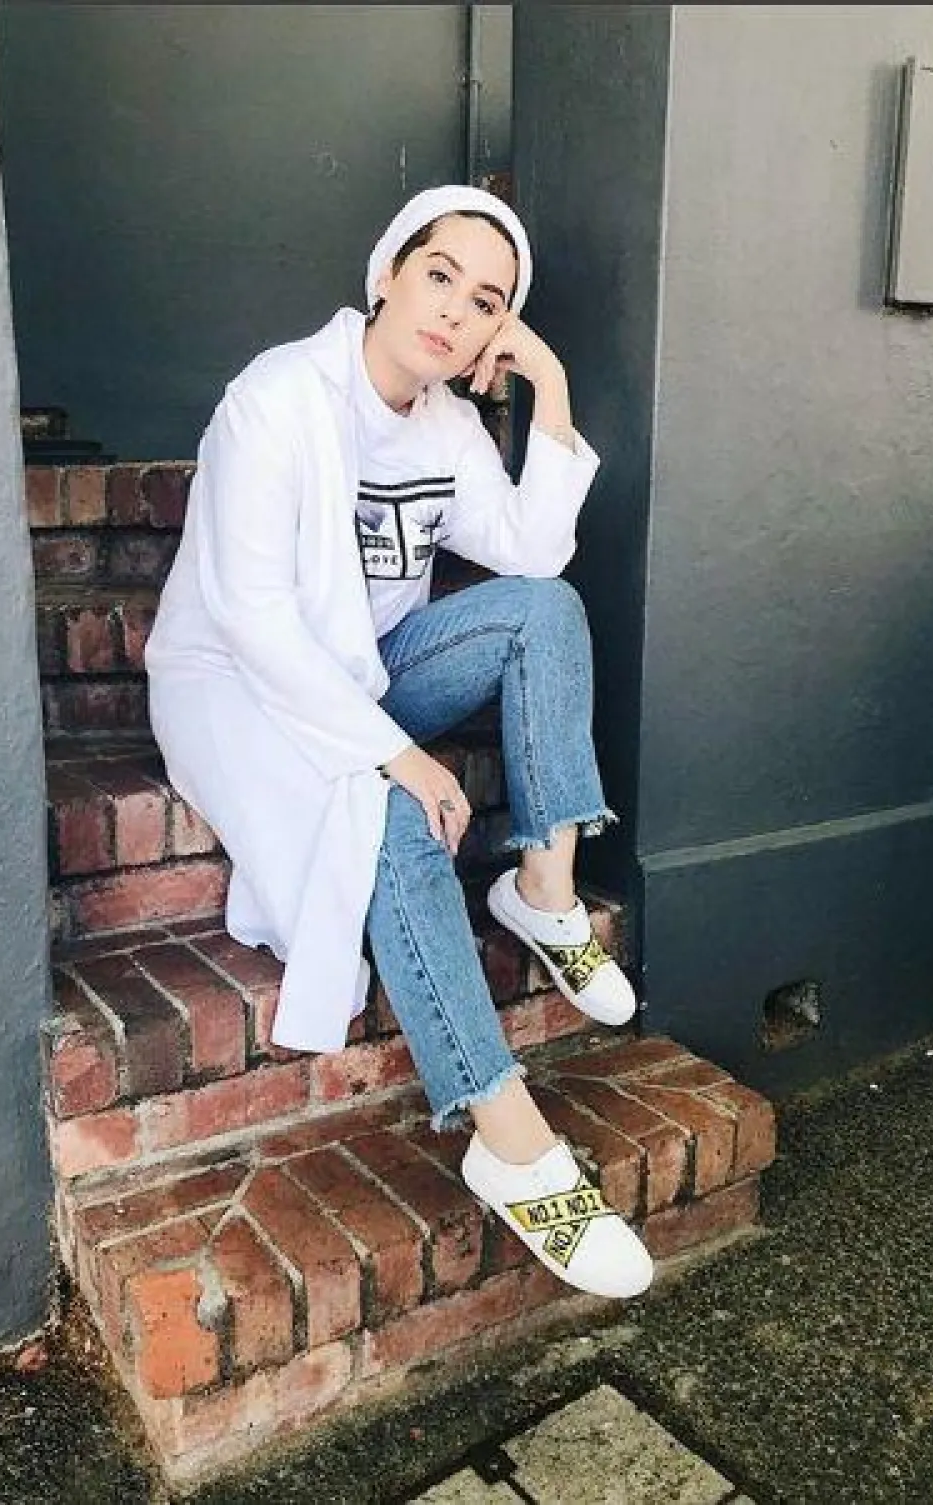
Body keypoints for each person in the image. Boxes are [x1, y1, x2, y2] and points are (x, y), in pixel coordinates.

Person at [145, 185, 655, 1300]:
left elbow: (533, 551)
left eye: (488, 302)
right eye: (439, 276)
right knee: (388, 813)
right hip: (234, 688)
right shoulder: (277, 398)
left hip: (359, 674)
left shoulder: (445, 426)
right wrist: (396, 754)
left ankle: (545, 888)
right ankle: (510, 1139)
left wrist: (551, 384)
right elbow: (251, 618)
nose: (455, 311)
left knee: (543, 611)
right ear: (386, 274)